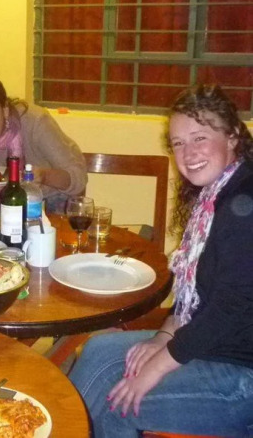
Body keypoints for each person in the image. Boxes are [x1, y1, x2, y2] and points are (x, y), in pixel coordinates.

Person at [69, 85, 253, 437]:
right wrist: (163, 336)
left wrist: (157, 366)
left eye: (200, 138)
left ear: (231, 136)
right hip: (210, 343)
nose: (188, 153)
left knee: (115, 401)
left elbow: (230, 308)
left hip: (242, 372)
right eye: (178, 143)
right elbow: (194, 293)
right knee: (98, 350)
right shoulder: (214, 196)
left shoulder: (244, 202)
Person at [0, 72, 87, 212]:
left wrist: (44, 176)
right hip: (6, 206)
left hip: (54, 202)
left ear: (5, 110)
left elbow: (78, 179)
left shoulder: (35, 122)